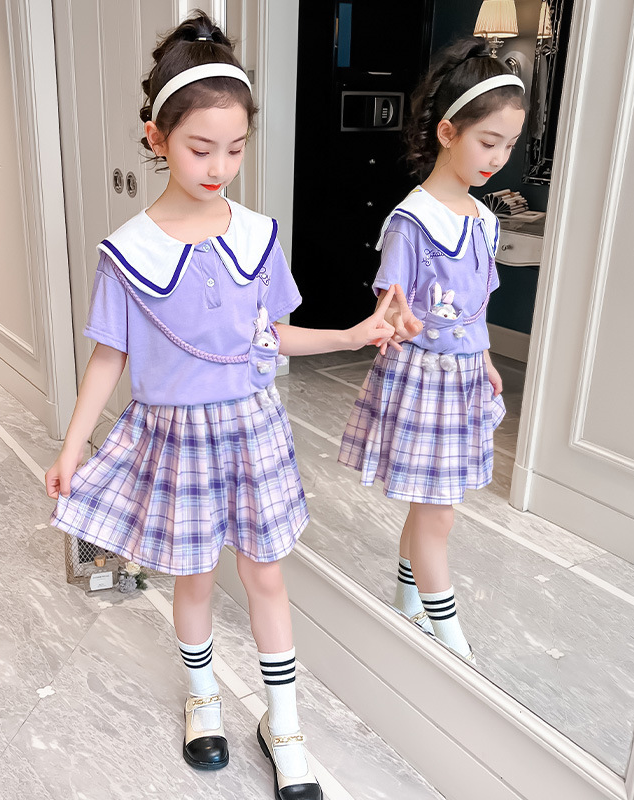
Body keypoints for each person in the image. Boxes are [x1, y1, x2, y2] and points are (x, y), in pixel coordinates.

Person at [46, 12, 401, 799]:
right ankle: (203, 699)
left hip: (252, 429)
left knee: (267, 578)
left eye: (235, 149)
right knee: (196, 578)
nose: (219, 167)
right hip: (174, 437)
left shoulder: (259, 235)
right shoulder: (128, 252)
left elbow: (271, 336)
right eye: (200, 148)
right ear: (157, 136)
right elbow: (109, 356)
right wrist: (72, 447)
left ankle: (285, 725)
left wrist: (353, 333)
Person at [338, 38, 526, 664]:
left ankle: (406, 598)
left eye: (509, 146)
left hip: (465, 373)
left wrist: (487, 358)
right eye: (488, 142)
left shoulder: (484, 219)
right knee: (438, 513)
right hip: (423, 376)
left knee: (432, 505)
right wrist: (398, 321)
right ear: (448, 132)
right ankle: (450, 642)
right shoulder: (412, 221)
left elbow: (477, 305)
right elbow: (388, 305)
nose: (498, 158)